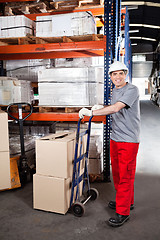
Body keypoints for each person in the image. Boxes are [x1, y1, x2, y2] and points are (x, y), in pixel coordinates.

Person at [79, 61, 140, 227]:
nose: (117, 77)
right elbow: (112, 106)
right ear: (111, 76)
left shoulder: (132, 89)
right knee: (119, 174)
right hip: (115, 138)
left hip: (128, 140)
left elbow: (116, 109)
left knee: (126, 175)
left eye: (120, 73)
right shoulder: (115, 90)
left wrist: (92, 112)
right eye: (114, 74)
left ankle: (123, 212)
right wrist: (102, 106)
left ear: (125, 74)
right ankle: (128, 202)